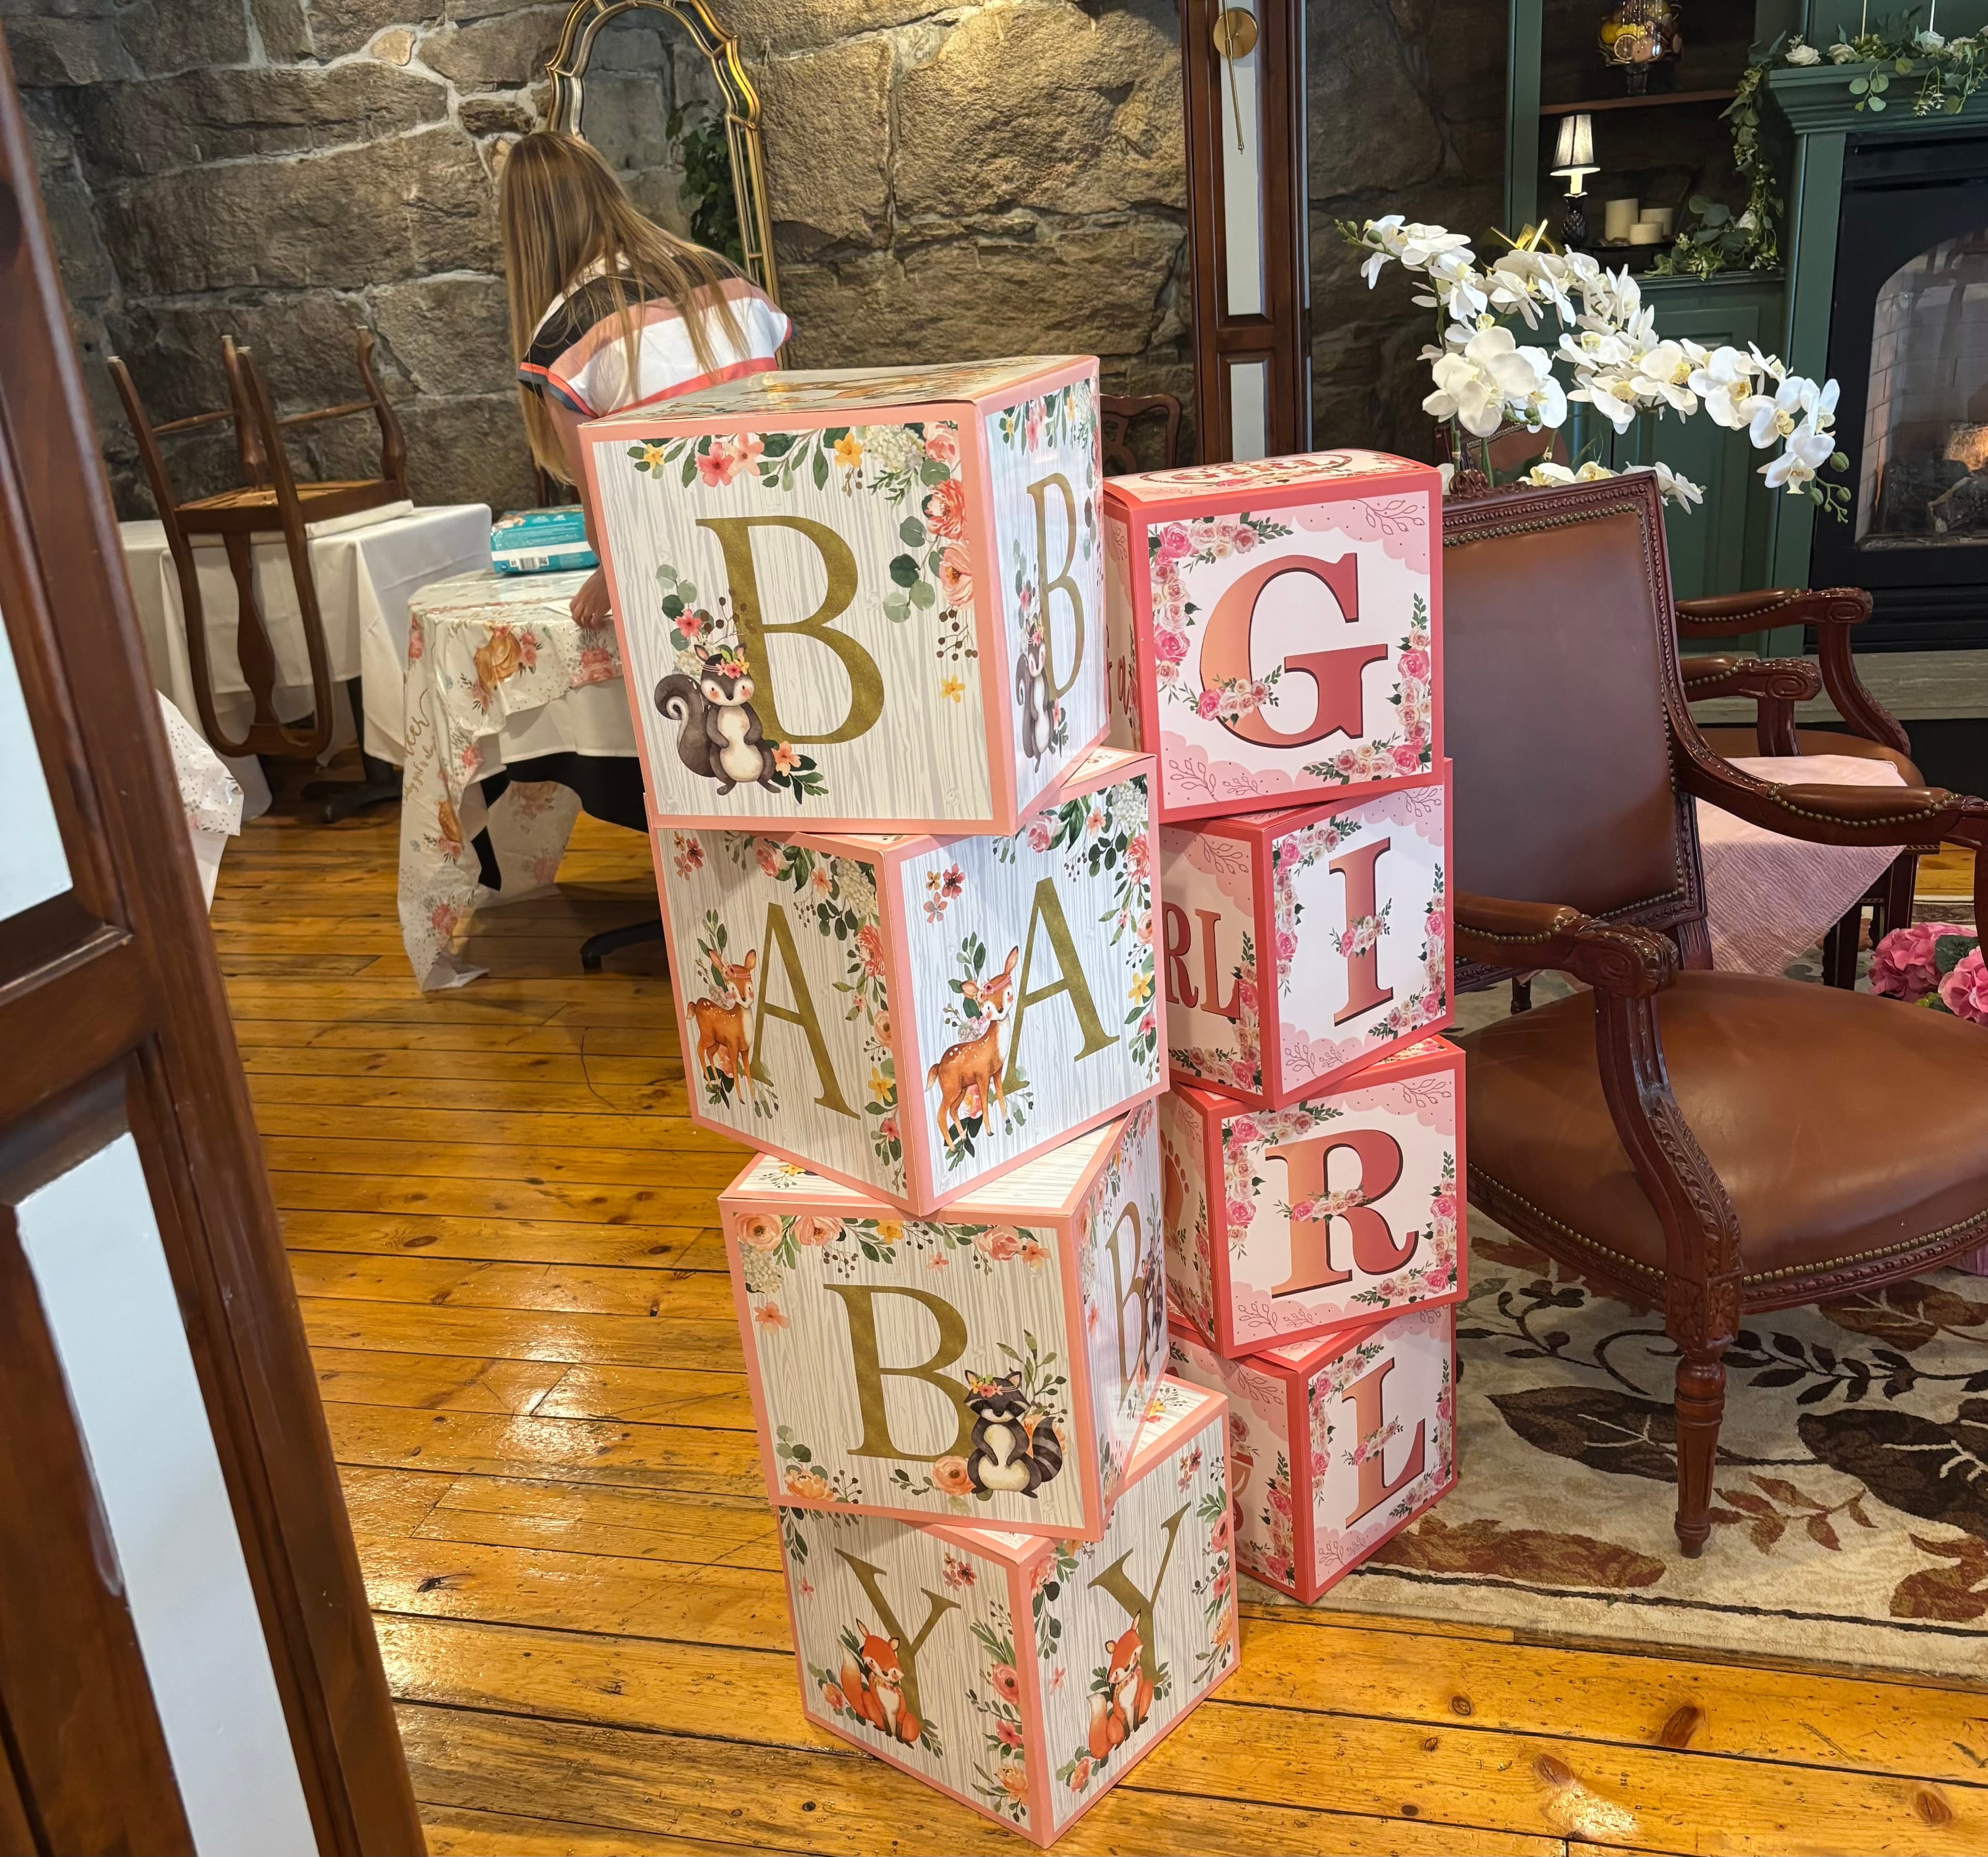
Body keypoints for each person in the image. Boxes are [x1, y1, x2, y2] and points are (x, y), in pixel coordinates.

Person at [500, 130, 789, 627]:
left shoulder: (563, 337)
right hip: (793, 530)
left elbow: (604, 516)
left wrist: (611, 572)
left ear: (524, 232)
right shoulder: (725, 275)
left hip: (691, 572)